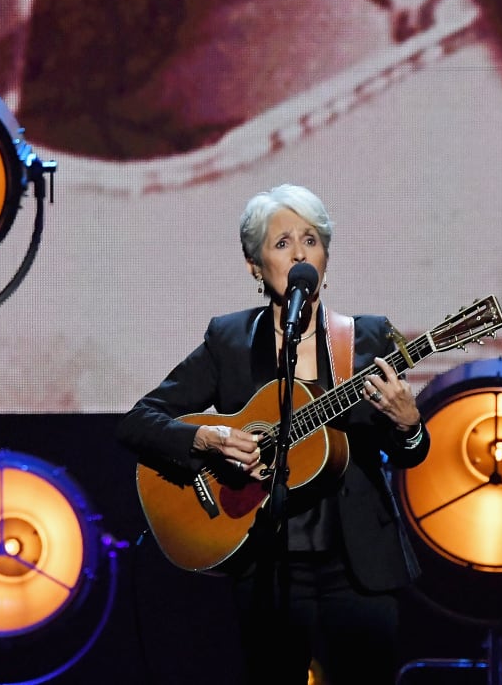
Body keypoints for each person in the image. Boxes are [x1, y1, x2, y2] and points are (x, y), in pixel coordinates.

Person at [115, 183, 431, 684]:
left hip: (359, 568)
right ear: (255, 266)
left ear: (326, 256)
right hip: (268, 565)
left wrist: (409, 425)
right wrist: (206, 440)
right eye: (282, 243)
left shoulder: (367, 336)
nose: (301, 253)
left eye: (311, 240)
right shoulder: (231, 339)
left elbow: (409, 452)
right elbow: (139, 421)